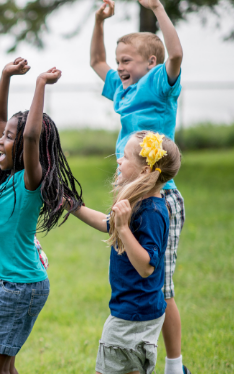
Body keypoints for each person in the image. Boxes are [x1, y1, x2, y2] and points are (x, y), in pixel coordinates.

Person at [90, 0, 187, 372]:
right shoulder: (123, 89)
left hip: (161, 195)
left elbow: (175, 55)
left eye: (126, 60)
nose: (118, 66)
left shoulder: (161, 84)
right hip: (136, 192)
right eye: (119, 62)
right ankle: (142, 349)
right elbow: (96, 61)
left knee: (162, 287)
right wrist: (100, 22)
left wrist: (157, 9)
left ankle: (175, 365)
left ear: (150, 62)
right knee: (142, 278)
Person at [0, 59, 83, 374]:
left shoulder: (29, 179)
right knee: (4, 364)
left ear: (22, 147)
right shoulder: (9, 173)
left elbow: (32, 136)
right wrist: (6, 75)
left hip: (18, 285)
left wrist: (39, 84)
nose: (0, 140)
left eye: (8, 138)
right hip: (13, 283)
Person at [68, 131, 182, 374]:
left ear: (144, 171)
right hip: (139, 311)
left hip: (132, 315)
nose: (119, 160)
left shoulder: (152, 211)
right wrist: (74, 207)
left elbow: (146, 266)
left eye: (125, 157)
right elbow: (107, 222)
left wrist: (122, 227)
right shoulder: (142, 203)